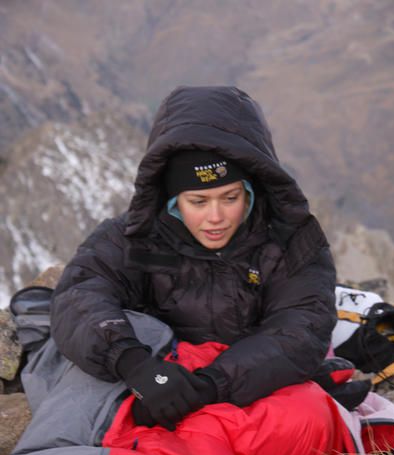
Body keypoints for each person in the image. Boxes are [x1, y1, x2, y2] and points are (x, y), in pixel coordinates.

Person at [50, 85, 337, 431]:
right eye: (198, 201)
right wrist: (134, 364)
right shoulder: (132, 237)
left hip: (247, 389)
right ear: (172, 199)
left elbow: (300, 329)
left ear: (251, 190)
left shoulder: (291, 241)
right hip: (155, 381)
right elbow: (81, 294)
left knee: (306, 420)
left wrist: (207, 386)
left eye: (229, 197)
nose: (215, 217)